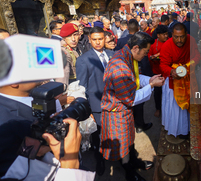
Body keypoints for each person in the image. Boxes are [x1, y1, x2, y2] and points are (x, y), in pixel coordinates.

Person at [100, 32, 164, 181]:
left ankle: (134, 162)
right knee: (123, 146)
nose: (146, 55)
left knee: (129, 141)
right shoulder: (119, 67)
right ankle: (130, 173)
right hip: (117, 112)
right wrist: (152, 85)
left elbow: (134, 77)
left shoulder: (127, 55)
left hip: (125, 111)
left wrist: (149, 80)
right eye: (146, 52)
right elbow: (130, 98)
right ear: (136, 48)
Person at [0, 80, 94, 180]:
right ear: (14, 82)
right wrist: (70, 165)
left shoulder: (41, 98)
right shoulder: (5, 124)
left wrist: (36, 151)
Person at [76, 27, 114, 176]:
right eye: (95, 39)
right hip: (97, 106)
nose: (98, 42)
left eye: (101, 39)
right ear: (90, 40)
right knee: (98, 136)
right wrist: (88, 110)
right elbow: (82, 87)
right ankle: (100, 161)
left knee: (113, 132)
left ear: (105, 39)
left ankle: (115, 156)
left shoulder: (112, 54)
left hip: (114, 102)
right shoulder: (83, 60)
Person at [159, 23, 201, 138]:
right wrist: (171, 72)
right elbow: (163, 65)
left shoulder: (191, 40)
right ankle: (177, 129)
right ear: (171, 35)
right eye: (176, 37)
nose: (179, 40)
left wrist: (188, 66)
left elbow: (197, 56)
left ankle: (188, 127)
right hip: (173, 81)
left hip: (188, 76)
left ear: (186, 34)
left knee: (190, 101)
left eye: (182, 36)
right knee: (175, 107)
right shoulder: (167, 46)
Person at [148, 25, 169, 118]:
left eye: (166, 34)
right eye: (163, 35)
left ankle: (167, 108)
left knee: (168, 92)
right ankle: (158, 108)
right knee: (157, 92)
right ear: (158, 35)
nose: (166, 36)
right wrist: (152, 57)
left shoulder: (170, 42)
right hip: (156, 72)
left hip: (168, 72)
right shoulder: (153, 44)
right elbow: (149, 55)